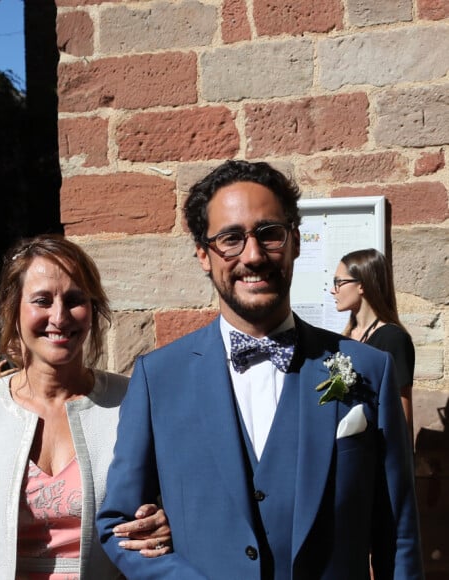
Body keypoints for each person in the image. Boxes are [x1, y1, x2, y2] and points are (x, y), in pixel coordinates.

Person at [97, 160, 423, 579]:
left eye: (269, 234)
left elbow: (398, 531)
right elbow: (118, 524)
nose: (253, 255)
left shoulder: (370, 369)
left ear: (295, 242)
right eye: (230, 239)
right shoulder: (157, 378)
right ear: (203, 254)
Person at [0, 234, 171, 579]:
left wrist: (166, 523)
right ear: (14, 309)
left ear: (92, 309)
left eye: (74, 299)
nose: (59, 316)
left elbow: (176, 509)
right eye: (42, 300)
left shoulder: (130, 402)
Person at [332, 248, 416, 441]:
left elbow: (401, 416)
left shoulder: (393, 338)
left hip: (374, 454)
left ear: (361, 285)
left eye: (339, 282)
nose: (332, 289)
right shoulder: (344, 337)